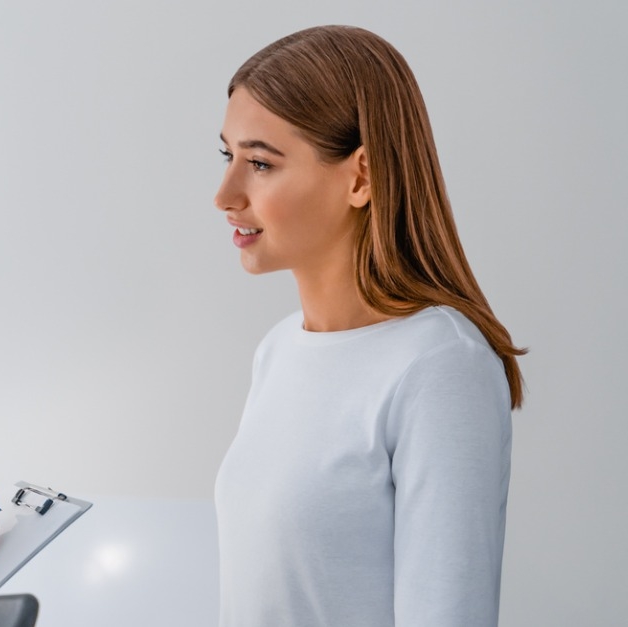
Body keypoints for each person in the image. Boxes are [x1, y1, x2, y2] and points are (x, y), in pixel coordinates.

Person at [212, 25, 524, 627]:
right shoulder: (278, 351)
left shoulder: (442, 366)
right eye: (228, 156)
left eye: (259, 162)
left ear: (361, 176)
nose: (225, 194)